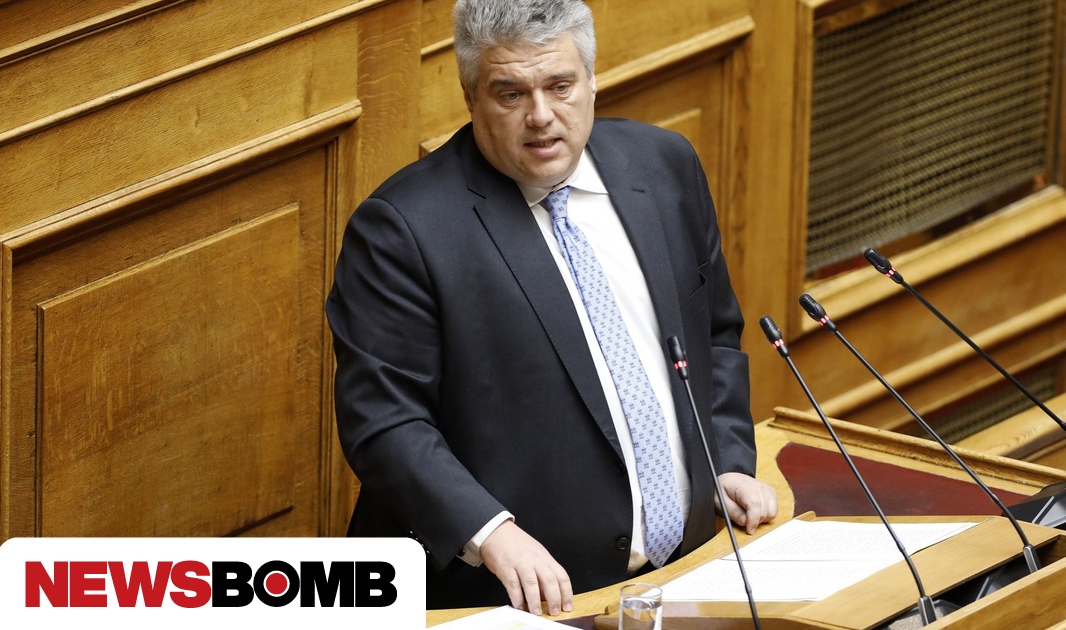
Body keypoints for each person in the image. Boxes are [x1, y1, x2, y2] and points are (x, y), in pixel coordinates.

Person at [326, 0, 777, 615]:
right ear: (470, 97)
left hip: (686, 572)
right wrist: (489, 532)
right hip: (511, 602)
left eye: (560, 86)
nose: (540, 116)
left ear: (591, 80)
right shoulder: (403, 229)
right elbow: (384, 421)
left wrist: (724, 460)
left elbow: (714, 335)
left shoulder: (665, 166)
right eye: (510, 94)